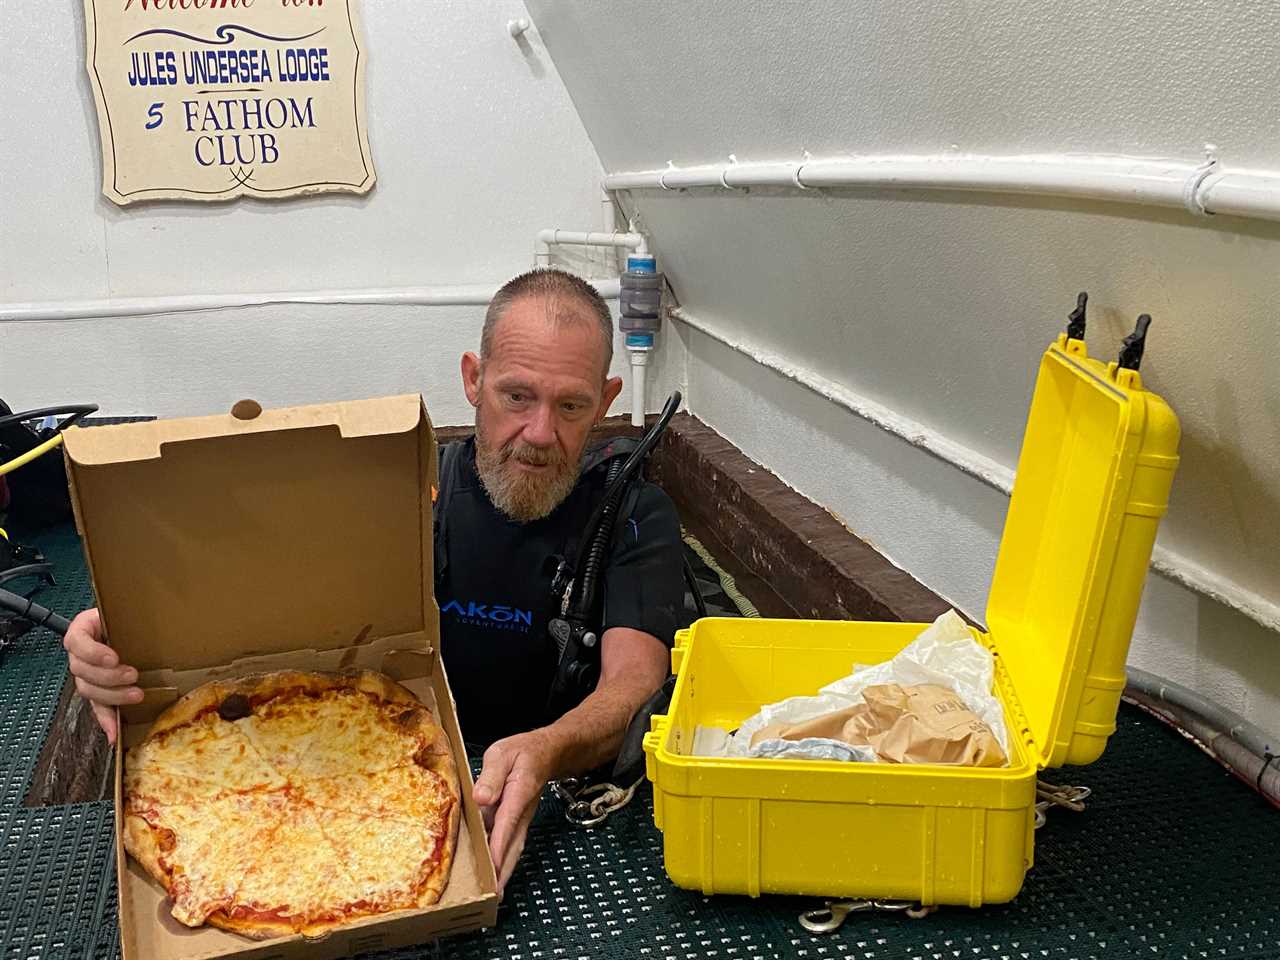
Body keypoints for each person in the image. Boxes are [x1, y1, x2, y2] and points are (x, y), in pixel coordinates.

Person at [62, 268, 684, 895]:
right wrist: (120, 629)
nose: (540, 433)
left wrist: (549, 746)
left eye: (571, 405)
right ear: (472, 379)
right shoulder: (402, 492)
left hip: (558, 811)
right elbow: (252, 592)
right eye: (516, 397)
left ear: (605, 401)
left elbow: (632, 684)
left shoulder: (635, 513)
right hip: (362, 791)